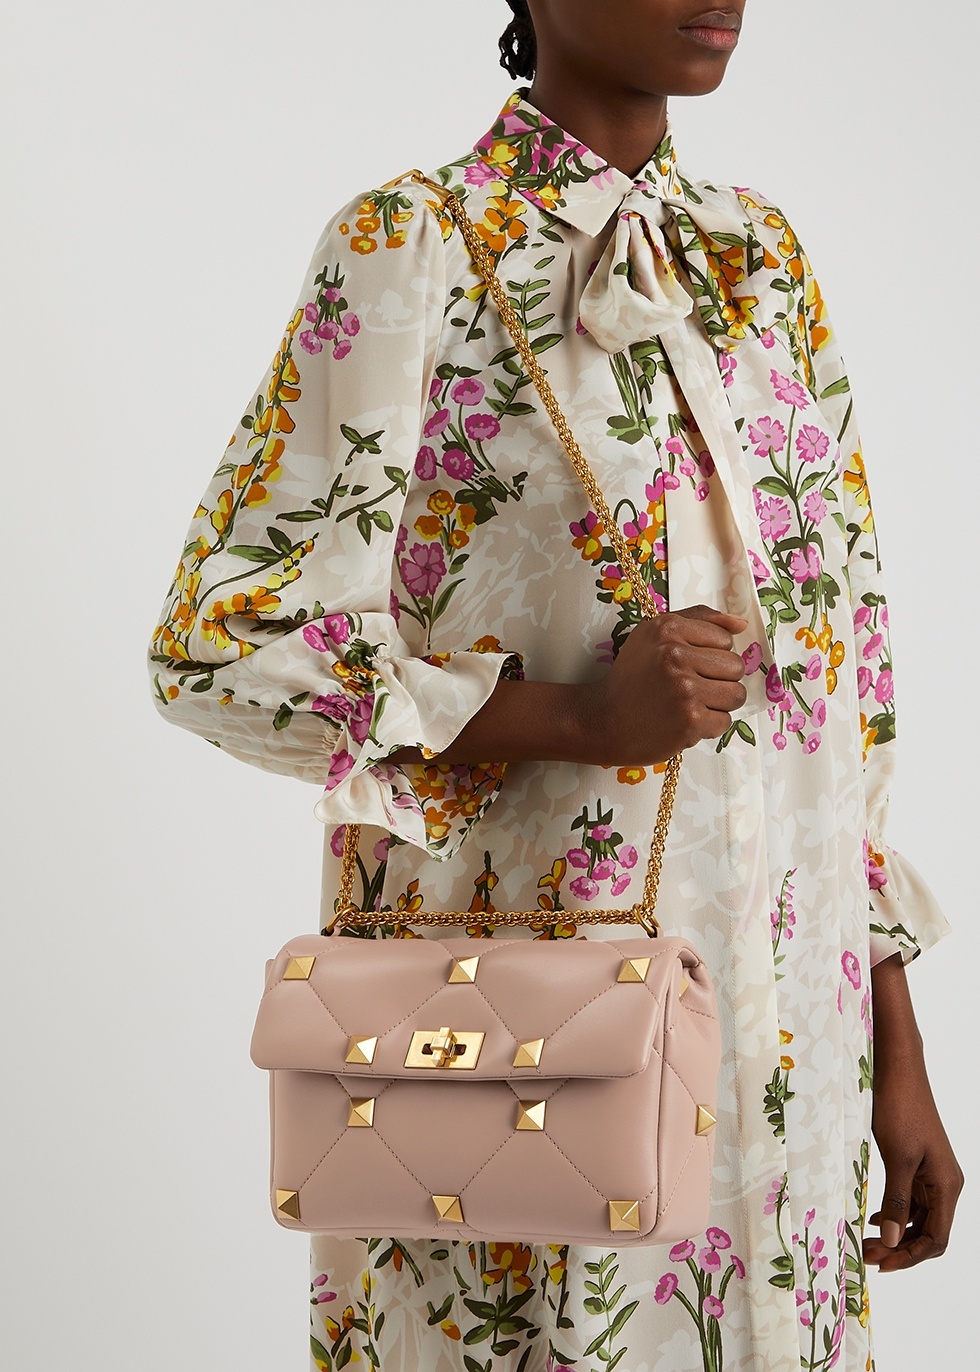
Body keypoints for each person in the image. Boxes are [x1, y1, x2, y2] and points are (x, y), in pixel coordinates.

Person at [148, 2, 964, 1368]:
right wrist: (578, 719)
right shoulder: (412, 244)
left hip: (791, 1071)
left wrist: (898, 1050)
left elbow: (847, 691)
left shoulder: (760, 262)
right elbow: (219, 644)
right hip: (524, 1054)